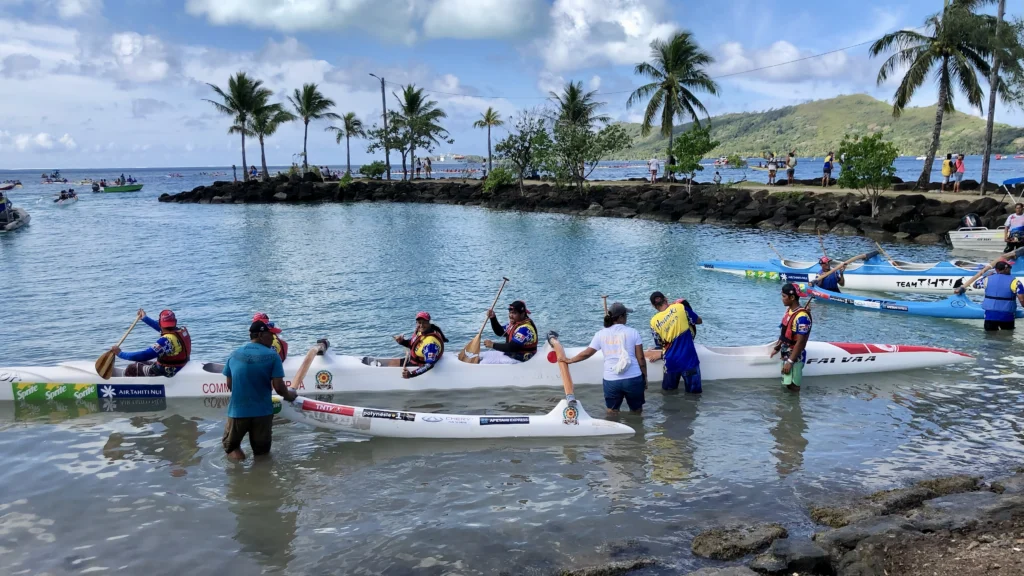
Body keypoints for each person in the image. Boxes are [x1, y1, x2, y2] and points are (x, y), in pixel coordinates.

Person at [221, 320, 298, 460]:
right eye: (271, 335)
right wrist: (290, 395)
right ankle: (260, 477)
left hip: (238, 411)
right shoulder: (273, 356)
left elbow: (230, 384)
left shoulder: (234, 354)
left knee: (232, 448)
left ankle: (239, 477)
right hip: (262, 412)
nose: (274, 338)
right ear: (261, 335)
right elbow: (279, 387)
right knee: (261, 453)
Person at [561, 303, 647, 414]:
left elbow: (587, 353)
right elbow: (640, 358)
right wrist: (644, 378)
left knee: (612, 412)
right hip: (633, 378)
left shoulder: (600, 334)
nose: (627, 317)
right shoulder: (633, 332)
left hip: (611, 380)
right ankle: (638, 431)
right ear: (621, 317)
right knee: (637, 412)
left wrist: (570, 360)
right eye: (626, 315)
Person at [646, 291, 701, 393]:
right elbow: (698, 321)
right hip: (689, 361)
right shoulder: (680, 307)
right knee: (694, 395)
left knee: (668, 394)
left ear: (653, 306)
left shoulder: (653, 322)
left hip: (671, 363)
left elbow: (660, 344)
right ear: (665, 298)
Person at [111, 309, 191, 377]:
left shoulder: (165, 341)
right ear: (175, 321)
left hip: (168, 370)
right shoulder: (180, 331)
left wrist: (120, 354)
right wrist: (145, 318)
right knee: (139, 362)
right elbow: (163, 328)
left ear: (160, 322)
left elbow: (145, 355)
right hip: (180, 364)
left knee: (131, 368)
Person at [771, 283, 812, 392]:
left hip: (794, 356)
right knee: (786, 382)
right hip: (786, 352)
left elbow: (800, 342)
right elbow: (784, 332)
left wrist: (790, 361)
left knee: (793, 385)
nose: (782, 299)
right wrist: (777, 347)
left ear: (792, 297)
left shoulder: (802, 317)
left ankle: (795, 406)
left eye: (784, 296)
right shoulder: (789, 311)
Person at [391, 311, 448, 378]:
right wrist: (402, 341)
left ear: (429, 323)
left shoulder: (430, 343)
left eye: (424, 322)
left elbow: (429, 364)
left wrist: (411, 374)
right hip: (412, 360)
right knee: (392, 362)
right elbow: (413, 344)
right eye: (419, 322)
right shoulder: (421, 332)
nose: (421, 325)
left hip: (417, 366)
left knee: (391, 365)